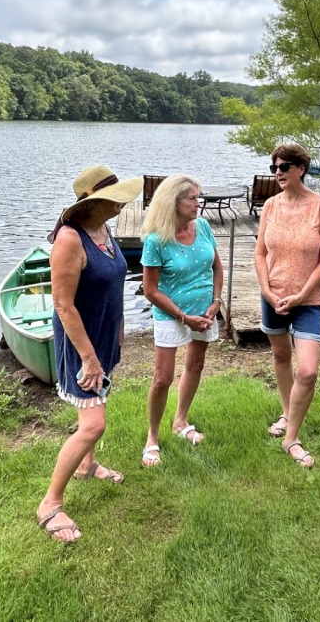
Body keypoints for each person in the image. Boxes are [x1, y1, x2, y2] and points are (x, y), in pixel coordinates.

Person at [36, 164, 142, 544]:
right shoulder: (69, 239)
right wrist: (90, 359)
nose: (121, 205)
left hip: (103, 338)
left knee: (91, 413)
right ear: (90, 202)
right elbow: (64, 305)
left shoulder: (105, 230)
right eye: (114, 200)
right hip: (82, 345)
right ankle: (50, 503)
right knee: (93, 424)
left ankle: (86, 465)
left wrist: (118, 331)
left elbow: (113, 286)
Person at [254, 143, 320, 468]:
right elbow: (260, 254)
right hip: (272, 296)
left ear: (301, 168)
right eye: (274, 167)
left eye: (284, 167)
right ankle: (287, 414)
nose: (278, 173)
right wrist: (266, 290)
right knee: (280, 355)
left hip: (309, 300)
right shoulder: (270, 206)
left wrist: (302, 294)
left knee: (309, 370)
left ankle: (292, 438)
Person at [139, 175, 224, 466]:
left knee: (196, 364)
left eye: (198, 197)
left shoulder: (202, 227)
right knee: (163, 378)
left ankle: (180, 421)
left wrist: (216, 302)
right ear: (173, 203)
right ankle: (152, 436)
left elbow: (216, 267)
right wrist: (183, 317)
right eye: (192, 198)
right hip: (173, 315)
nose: (198, 203)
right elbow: (150, 290)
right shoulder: (156, 240)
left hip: (204, 313)